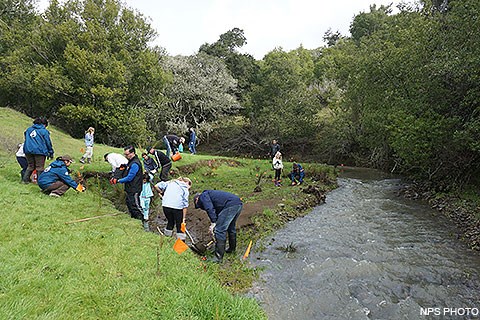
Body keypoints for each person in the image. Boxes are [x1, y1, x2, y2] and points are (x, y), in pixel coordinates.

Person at [194, 190, 243, 263]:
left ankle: (218, 258)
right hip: (238, 203)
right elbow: (217, 213)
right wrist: (213, 224)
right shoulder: (212, 196)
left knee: (219, 230)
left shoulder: (203, 196)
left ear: (196, 199)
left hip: (230, 205)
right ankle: (232, 250)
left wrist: (214, 223)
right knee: (231, 228)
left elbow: (209, 208)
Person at [109, 146, 144, 221]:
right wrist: (115, 177)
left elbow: (129, 177)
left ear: (133, 153)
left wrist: (118, 181)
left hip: (135, 189)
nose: (126, 156)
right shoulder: (130, 162)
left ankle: (142, 221)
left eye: (127, 154)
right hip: (129, 188)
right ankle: (134, 220)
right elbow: (122, 169)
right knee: (129, 204)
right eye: (125, 154)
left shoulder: (135, 164)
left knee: (135, 206)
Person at [22, 117, 54, 183]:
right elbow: (48, 142)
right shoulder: (44, 131)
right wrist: (51, 152)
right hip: (40, 151)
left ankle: (25, 180)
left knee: (30, 166)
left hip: (28, 150)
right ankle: (40, 182)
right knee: (40, 167)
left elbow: (26, 137)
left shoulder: (28, 129)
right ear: (44, 124)